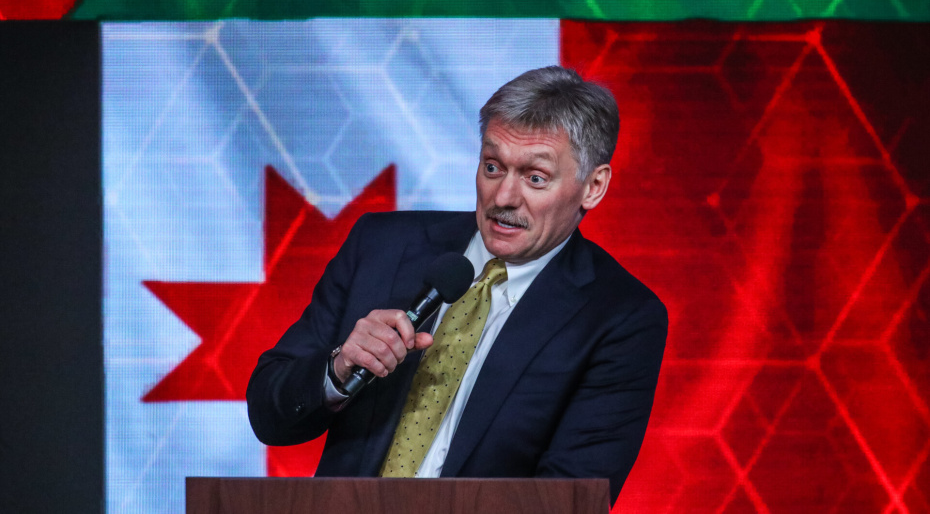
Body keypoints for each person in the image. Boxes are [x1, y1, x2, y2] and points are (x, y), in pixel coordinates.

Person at [247, 65, 667, 505]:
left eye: (535, 178)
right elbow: (268, 414)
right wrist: (338, 370)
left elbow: (569, 499)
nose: (503, 197)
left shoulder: (621, 317)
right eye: (493, 167)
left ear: (593, 186)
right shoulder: (381, 246)